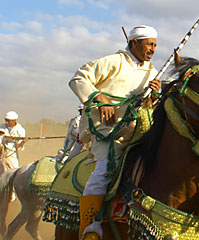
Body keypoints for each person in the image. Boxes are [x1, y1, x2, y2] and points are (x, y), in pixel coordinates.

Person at [69, 25, 160, 239]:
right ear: (133, 43)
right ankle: (89, 228)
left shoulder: (153, 71)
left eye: (155, 45)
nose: (153, 49)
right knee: (105, 170)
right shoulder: (113, 61)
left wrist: (155, 95)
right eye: (149, 44)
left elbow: (149, 106)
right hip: (108, 133)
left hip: (140, 132)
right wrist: (98, 98)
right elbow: (78, 79)